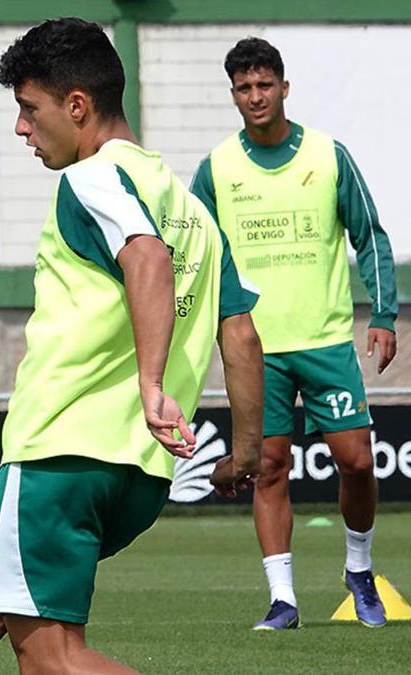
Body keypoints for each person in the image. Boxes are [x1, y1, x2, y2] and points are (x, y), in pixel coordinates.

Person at [0, 18, 264, 674]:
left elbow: (146, 257)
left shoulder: (91, 181)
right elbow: (241, 332)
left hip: (59, 454)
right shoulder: (195, 211)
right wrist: (247, 451)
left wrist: (151, 388)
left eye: (29, 110)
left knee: (52, 660)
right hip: (139, 475)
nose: (22, 129)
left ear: (78, 106)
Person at [189, 37, 398, 630]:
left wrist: (382, 316)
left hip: (326, 341)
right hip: (257, 349)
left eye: (264, 85)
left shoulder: (330, 156)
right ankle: (283, 600)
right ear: (233, 95)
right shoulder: (216, 169)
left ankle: (358, 568)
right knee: (268, 467)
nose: (255, 96)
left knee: (356, 461)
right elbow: (194, 254)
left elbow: (371, 237)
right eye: (243, 88)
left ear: (284, 87)